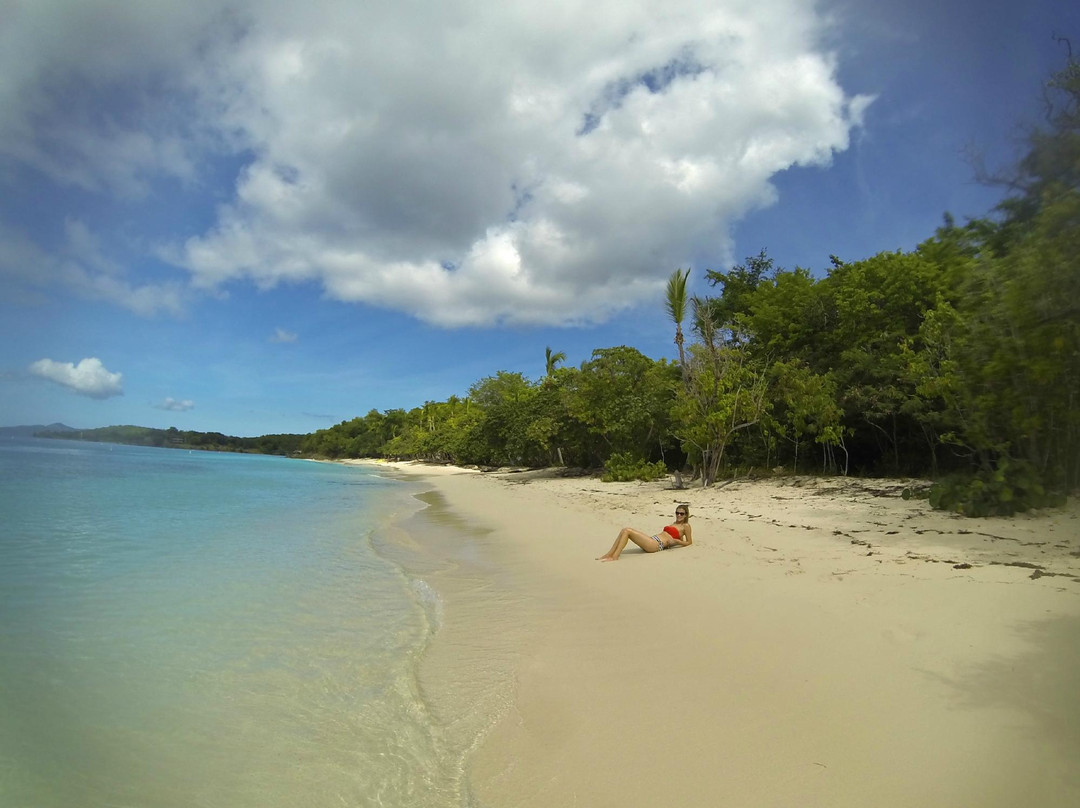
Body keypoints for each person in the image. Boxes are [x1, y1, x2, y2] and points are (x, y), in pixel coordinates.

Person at [596, 505, 693, 561]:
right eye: (677, 513)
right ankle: (609, 554)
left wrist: (677, 541)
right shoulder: (674, 523)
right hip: (653, 540)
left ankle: (615, 556)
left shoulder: (686, 526)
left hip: (657, 545)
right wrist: (675, 541)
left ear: (686, 515)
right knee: (624, 530)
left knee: (627, 531)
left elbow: (689, 542)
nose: (679, 515)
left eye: (681, 514)